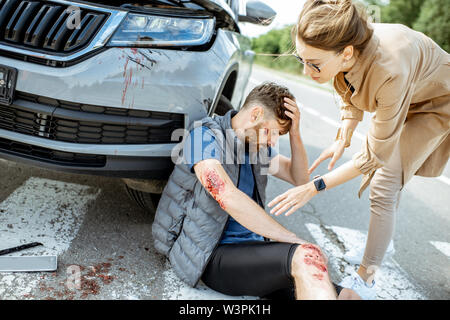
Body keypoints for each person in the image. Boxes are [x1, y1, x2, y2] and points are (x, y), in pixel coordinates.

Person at [267, 0, 449, 300]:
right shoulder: (342, 48)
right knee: (389, 176)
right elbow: (348, 87)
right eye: (302, 60)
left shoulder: (389, 70)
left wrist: (313, 187)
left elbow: (372, 157)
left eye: (314, 64)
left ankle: (366, 277)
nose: (306, 71)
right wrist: (344, 134)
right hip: (406, 94)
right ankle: (383, 244)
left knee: (385, 180)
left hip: (435, 102)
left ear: (347, 53)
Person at [152, 82, 360, 300]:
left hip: (254, 252)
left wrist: (295, 134)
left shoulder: (256, 147)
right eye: (272, 132)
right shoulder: (204, 137)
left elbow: (299, 178)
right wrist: (291, 239)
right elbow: (227, 196)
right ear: (255, 114)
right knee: (306, 256)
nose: (272, 141)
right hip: (212, 255)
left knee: (348, 296)